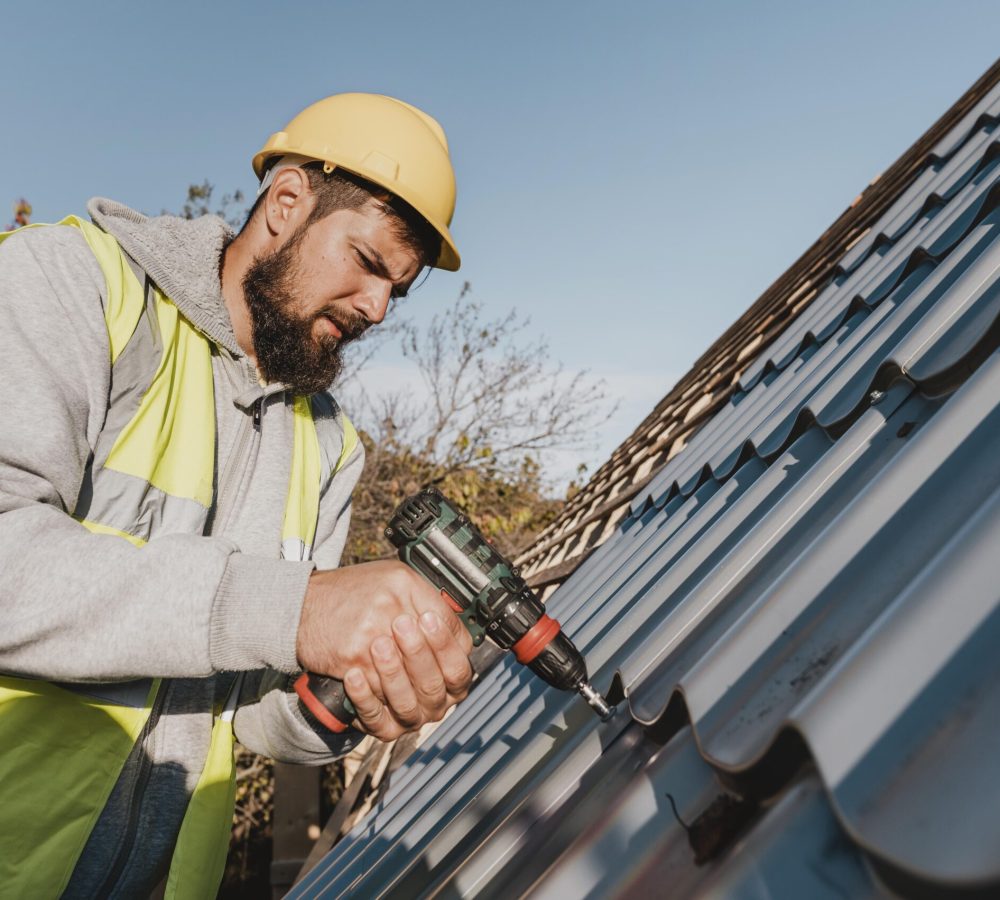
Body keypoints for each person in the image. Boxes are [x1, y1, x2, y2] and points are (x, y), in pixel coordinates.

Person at [0, 93, 473, 898]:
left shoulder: (327, 443)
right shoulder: (71, 285)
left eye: (399, 287)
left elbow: (254, 709)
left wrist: (351, 691)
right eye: (367, 261)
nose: (377, 308)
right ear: (287, 202)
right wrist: (292, 610)